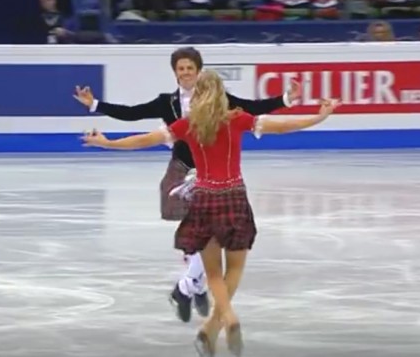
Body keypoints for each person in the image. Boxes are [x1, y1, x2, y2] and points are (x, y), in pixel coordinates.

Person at [81, 69, 339, 357]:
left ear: (198, 95)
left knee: (213, 272)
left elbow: (144, 139)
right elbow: (281, 127)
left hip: (204, 201)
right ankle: (216, 323)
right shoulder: (237, 119)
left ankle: (222, 322)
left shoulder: (187, 125)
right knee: (236, 269)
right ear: (220, 93)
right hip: (234, 198)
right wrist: (320, 116)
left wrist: (106, 142)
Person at [73, 47, 302, 323]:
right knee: (202, 237)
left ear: (198, 71)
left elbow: (253, 107)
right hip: (182, 171)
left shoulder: (221, 100)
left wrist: (287, 98)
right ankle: (194, 286)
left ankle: (188, 287)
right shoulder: (166, 102)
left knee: (208, 236)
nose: (185, 73)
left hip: (215, 175)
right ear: (175, 73)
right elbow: (133, 113)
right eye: (180, 69)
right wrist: (95, 104)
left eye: (189, 68)